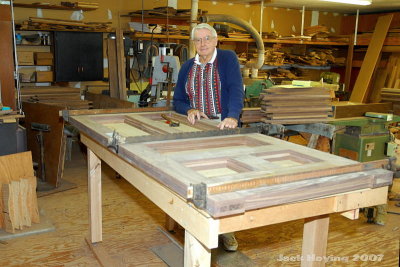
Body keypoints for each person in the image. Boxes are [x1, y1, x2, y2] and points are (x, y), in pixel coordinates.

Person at [173, 23, 244, 252]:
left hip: (222, 126)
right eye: (198, 40)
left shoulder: (227, 58)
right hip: (197, 129)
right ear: (193, 43)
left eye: (207, 39)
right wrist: (189, 110)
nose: (202, 44)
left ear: (215, 41)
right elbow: (178, 100)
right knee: (195, 178)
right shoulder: (187, 67)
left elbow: (235, 89)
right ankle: (194, 224)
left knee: (222, 183)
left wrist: (232, 116)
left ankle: (226, 231)